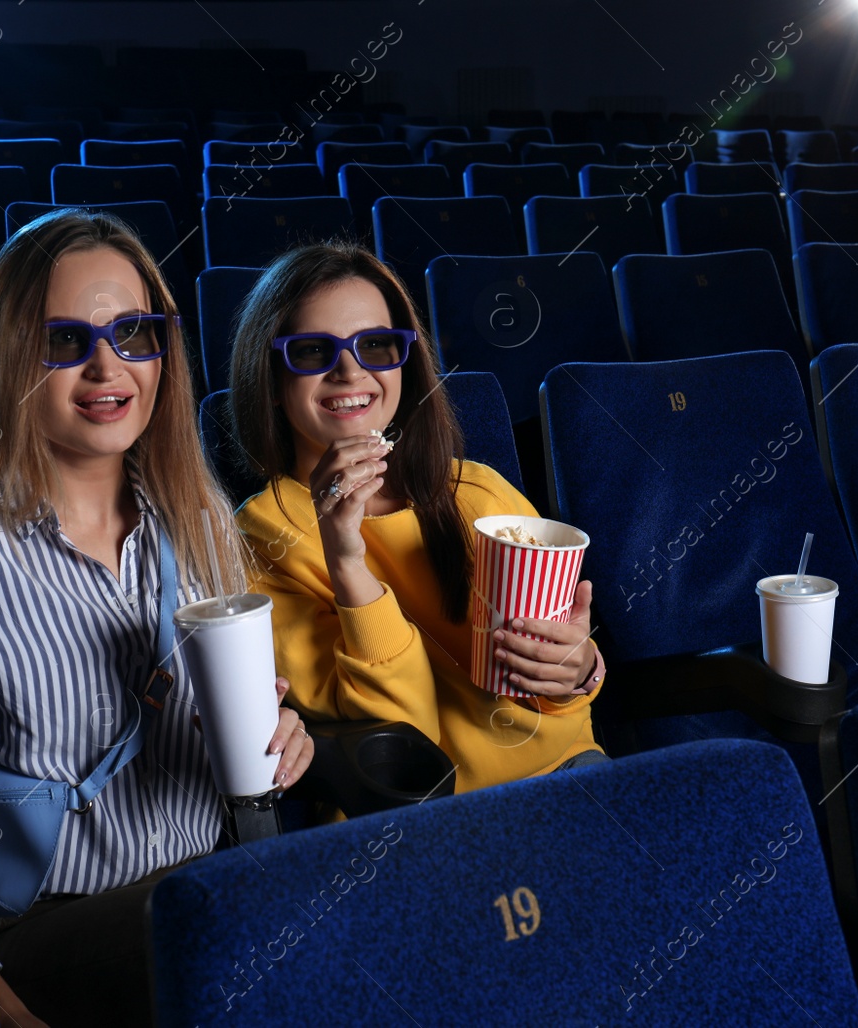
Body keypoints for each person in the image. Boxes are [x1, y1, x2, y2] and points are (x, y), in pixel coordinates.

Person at [0, 210, 314, 1028]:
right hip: (33, 927)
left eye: (134, 333)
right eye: (65, 341)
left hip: (203, 887)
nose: (109, 366)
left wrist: (280, 738)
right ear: (12, 360)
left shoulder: (199, 521)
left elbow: (226, 740)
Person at [227, 241, 606, 795]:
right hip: (420, 816)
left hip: (569, 771)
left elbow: (560, 683)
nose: (350, 371)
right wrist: (347, 561)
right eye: (312, 351)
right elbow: (397, 739)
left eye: (376, 345)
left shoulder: (477, 490)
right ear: (272, 377)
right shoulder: (260, 537)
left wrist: (580, 670)